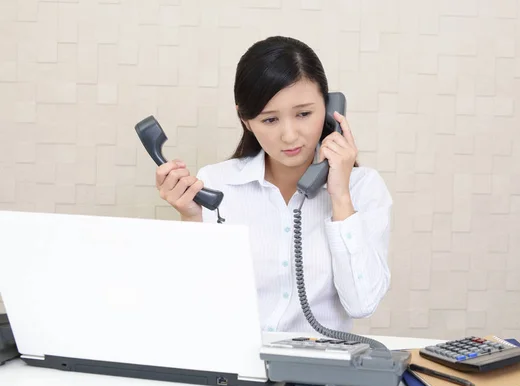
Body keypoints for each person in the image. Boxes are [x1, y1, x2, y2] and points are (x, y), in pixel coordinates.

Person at [154, 36, 392, 334]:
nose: (290, 136)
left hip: (321, 369)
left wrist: (340, 196)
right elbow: (194, 301)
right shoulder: (216, 185)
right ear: (246, 120)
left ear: (330, 109)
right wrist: (191, 218)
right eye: (270, 120)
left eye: (304, 114)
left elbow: (362, 304)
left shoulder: (363, 188)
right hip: (237, 364)